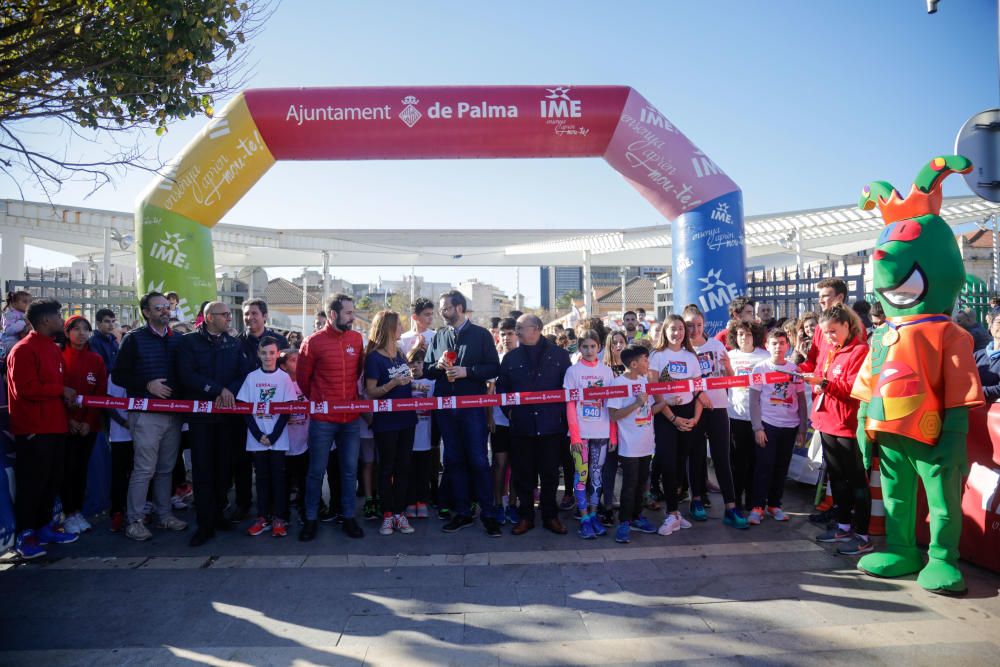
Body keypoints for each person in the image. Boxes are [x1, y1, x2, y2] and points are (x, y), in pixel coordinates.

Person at [422, 290, 501, 536]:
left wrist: (468, 372)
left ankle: (488, 513)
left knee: (478, 459)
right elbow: (426, 369)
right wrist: (438, 366)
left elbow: (494, 367)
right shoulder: (439, 336)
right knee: (453, 460)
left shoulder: (481, 335)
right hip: (446, 408)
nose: (441, 312)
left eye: (445, 308)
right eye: (440, 308)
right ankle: (462, 512)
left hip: (473, 408)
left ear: (459, 308)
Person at [112, 292, 189, 542]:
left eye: (167, 307)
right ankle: (134, 521)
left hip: (173, 415)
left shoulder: (178, 340)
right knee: (144, 469)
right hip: (145, 415)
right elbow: (119, 376)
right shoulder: (133, 340)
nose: (165, 311)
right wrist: (147, 384)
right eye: (159, 308)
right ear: (146, 312)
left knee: (166, 469)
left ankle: (163, 515)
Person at [7, 298, 80, 559]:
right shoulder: (23, 349)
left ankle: (44, 528)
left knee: (51, 482)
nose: (63, 320)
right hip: (34, 430)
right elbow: (25, 389)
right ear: (46, 320)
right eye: (60, 316)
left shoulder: (50, 348)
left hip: (56, 427)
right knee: (32, 485)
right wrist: (61, 390)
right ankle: (25, 536)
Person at [176, 300, 251, 546]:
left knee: (222, 469)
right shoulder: (188, 342)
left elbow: (244, 373)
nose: (229, 318)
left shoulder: (233, 342)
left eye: (230, 314)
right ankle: (204, 524)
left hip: (226, 417)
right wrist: (218, 390)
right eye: (224, 315)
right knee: (202, 470)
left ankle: (219, 515)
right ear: (209, 317)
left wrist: (229, 391)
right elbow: (186, 374)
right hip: (201, 419)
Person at [800, 304, 872, 556]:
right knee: (837, 478)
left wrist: (824, 383)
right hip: (826, 420)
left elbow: (853, 389)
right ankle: (842, 526)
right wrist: (813, 380)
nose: (829, 337)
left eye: (833, 331)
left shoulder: (860, 351)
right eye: (825, 332)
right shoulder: (830, 350)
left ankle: (863, 534)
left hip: (848, 425)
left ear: (847, 326)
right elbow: (820, 374)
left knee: (856, 480)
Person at [297, 294, 366, 542]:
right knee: (316, 471)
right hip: (323, 420)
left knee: (349, 471)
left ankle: (348, 517)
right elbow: (304, 380)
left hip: (350, 419)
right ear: (333, 314)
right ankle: (311, 518)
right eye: (348, 312)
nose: (353, 317)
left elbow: (358, 372)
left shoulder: (357, 339)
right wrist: (321, 400)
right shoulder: (312, 342)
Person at [497, 314, 572, 536]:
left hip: (551, 427)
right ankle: (526, 516)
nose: (516, 331)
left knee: (550, 474)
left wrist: (561, 417)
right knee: (523, 475)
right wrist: (510, 413)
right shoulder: (510, 359)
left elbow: (567, 388)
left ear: (536, 329)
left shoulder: (560, 356)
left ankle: (550, 516)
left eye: (520, 327)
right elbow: (502, 390)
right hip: (522, 427)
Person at [681, 305, 747, 528]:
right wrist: (699, 395)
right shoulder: (682, 350)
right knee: (696, 456)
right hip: (694, 408)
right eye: (690, 325)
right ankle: (696, 500)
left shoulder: (716, 345)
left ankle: (731, 506)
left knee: (722, 457)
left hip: (718, 406)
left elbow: (731, 379)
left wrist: (728, 367)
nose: (694, 330)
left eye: (698, 325)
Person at [649, 316, 705, 536]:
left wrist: (695, 419)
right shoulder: (657, 355)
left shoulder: (691, 356)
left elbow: (699, 390)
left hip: (689, 414)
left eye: (681, 329)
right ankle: (671, 513)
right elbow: (654, 390)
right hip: (665, 415)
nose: (677, 333)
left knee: (681, 463)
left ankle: (677, 514)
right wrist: (672, 418)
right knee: (668, 463)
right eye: (673, 329)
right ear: (665, 331)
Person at [364, 310, 417, 536]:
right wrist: (393, 383)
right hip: (386, 422)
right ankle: (387, 515)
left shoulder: (401, 354)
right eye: (398, 325)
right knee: (386, 469)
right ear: (387, 328)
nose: (402, 328)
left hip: (407, 419)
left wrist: (413, 381)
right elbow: (371, 391)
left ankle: (400, 513)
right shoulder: (374, 357)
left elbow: (406, 382)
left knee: (404, 467)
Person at [747, 329, 808, 525]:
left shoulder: (794, 370)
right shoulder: (760, 369)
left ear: (787, 345)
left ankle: (775, 505)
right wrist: (758, 427)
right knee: (764, 466)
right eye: (774, 343)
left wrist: (802, 429)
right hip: (767, 425)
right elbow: (754, 400)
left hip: (789, 427)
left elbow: (801, 399)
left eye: (782, 343)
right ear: (767, 346)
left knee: (781, 468)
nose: (778, 347)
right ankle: (757, 506)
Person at [236, 298, 289, 517]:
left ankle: (280, 513)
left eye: (254, 313)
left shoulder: (280, 340)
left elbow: (289, 373)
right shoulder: (236, 341)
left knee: (277, 472)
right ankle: (245, 506)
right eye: (246, 314)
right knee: (243, 465)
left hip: (277, 422)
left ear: (265, 316)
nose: (250, 318)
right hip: (246, 414)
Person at [238, 337, 295, 538]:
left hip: (277, 438)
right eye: (264, 353)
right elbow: (245, 409)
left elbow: (288, 409)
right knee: (261, 478)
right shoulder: (251, 378)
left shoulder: (284, 378)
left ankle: (280, 517)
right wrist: (258, 434)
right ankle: (263, 517)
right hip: (257, 439)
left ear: (277, 354)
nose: (268, 357)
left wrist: (274, 435)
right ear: (258, 354)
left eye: (272, 353)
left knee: (278, 478)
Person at [608, 344, 666, 543]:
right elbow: (614, 415)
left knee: (642, 484)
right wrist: (635, 403)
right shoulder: (617, 384)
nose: (648, 363)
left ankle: (636, 517)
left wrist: (667, 403)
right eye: (645, 360)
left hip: (646, 444)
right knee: (630, 485)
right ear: (633, 364)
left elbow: (647, 411)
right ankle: (623, 522)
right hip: (629, 446)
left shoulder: (643, 380)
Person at [564, 329, 616, 539]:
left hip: (602, 433)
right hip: (581, 435)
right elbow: (570, 404)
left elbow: (612, 404)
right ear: (579, 347)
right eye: (584, 346)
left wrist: (613, 435)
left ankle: (594, 516)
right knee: (581, 475)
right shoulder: (573, 372)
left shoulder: (607, 372)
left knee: (596, 476)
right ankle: (584, 518)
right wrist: (575, 436)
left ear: (599, 347)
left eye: (592, 346)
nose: (588, 350)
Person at [59, 315, 107, 535]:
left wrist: (87, 421)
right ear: (67, 332)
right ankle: (67, 513)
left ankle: (77, 511)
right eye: (75, 328)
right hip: (63, 424)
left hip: (89, 426)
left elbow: (99, 393)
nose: (81, 333)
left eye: (85, 329)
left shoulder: (96, 360)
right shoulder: (57, 356)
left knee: (80, 470)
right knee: (66, 470)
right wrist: (70, 420)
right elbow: (56, 392)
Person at [727, 321, 769, 512]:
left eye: (749, 334)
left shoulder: (764, 356)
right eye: (741, 334)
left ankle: (753, 502)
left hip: (759, 418)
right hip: (735, 416)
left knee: (755, 462)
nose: (744, 337)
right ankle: (735, 500)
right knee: (737, 462)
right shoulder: (729, 356)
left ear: (756, 336)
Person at [488, 317, 517, 524]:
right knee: (499, 463)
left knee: (517, 465)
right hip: (498, 421)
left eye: (511, 333)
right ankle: (498, 503)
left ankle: (513, 505)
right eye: (503, 333)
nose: (507, 337)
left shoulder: (523, 357)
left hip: (520, 421)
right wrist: (489, 416)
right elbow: (489, 391)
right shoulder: (495, 359)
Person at [278, 349, 309, 522]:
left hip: (305, 443)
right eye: (293, 360)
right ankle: (283, 516)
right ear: (283, 366)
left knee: (305, 480)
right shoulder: (280, 386)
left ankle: (307, 512)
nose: (298, 363)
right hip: (283, 444)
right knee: (284, 482)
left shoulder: (308, 384)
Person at [405, 346, 435, 519]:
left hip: (425, 437)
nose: (415, 366)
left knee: (423, 470)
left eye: (419, 362)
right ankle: (409, 501)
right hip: (408, 436)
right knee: (407, 470)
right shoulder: (404, 383)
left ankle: (422, 501)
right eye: (411, 362)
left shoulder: (432, 383)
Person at [106, 376, 133, 533]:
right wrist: (124, 422)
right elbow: (109, 403)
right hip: (120, 436)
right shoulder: (115, 375)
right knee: (119, 475)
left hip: (140, 434)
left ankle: (141, 510)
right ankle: (117, 512)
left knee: (140, 473)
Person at [1, 290, 32, 363]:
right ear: (14, 304)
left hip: (22, 339)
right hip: (10, 342)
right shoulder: (9, 314)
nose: (28, 304)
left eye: (30, 301)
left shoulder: (26, 313)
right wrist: (24, 322)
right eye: (25, 302)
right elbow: (9, 330)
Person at [974, 313, 1000, 402]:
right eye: (999, 322)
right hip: (973, 411)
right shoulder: (977, 355)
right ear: (991, 328)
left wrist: (974, 392)